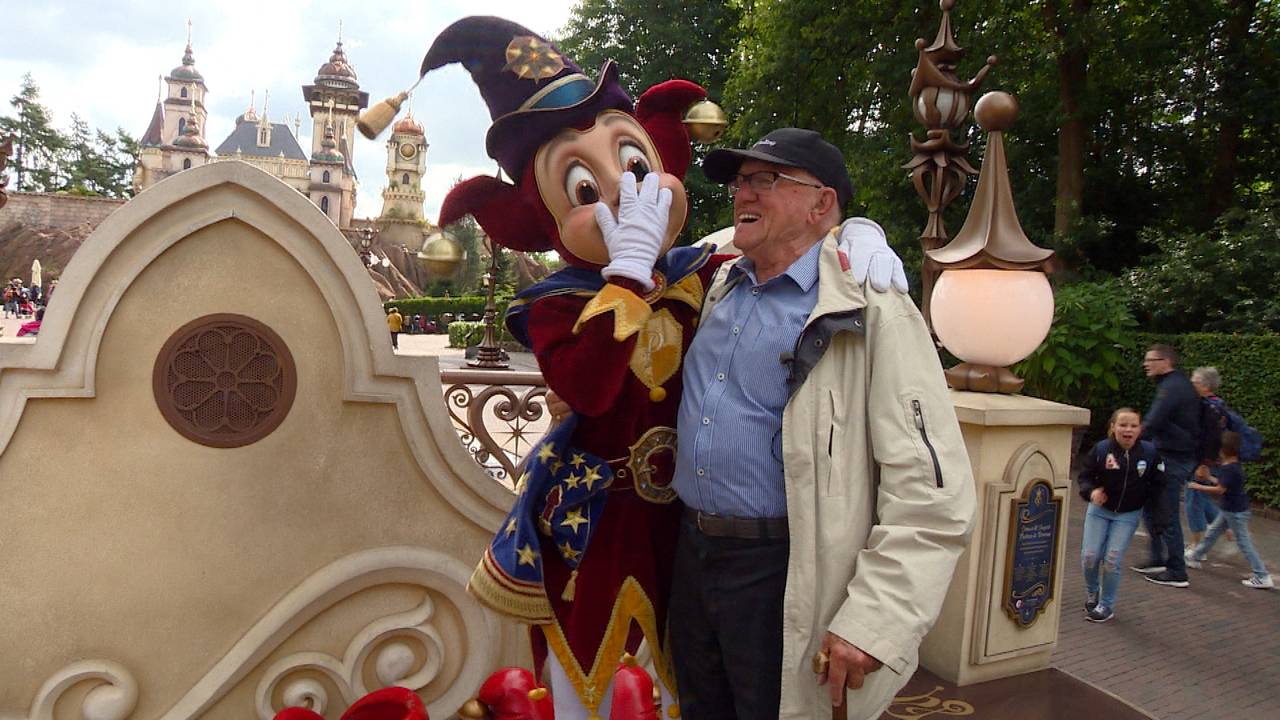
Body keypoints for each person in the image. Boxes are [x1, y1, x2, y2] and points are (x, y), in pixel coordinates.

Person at [668, 128, 975, 720]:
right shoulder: (719, 285)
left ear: (821, 202)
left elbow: (932, 493)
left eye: (766, 180)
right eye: (740, 181)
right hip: (692, 553)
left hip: (785, 570)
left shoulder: (873, 306)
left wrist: (875, 620)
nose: (742, 194)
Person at [1076, 408, 1166, 623]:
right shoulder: (1101, 450)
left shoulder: (1150, 454)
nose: (1128, 430)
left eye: (1133, 426)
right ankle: (1092, 592)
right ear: (1113, 427)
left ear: (1140, 429)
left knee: (1112, 559)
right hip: (1099, 511)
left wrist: (1160, 518)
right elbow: (1085, 477)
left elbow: (1160, 487)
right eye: (1123, 425)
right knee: (1090, 556)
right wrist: (1092, 492)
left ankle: (1106, 605)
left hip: (1128, 514)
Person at [1131, 344, 1199, 588]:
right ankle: (1157, 558)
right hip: (1169, 456)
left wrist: (1127, 442)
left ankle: (1177, 570)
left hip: (1174, 459)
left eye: (1151, 359)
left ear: (1166, 362)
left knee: (1167, 512)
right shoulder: (1174, 384)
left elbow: (1153, 422)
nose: (1146, 364)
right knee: (1152, 507)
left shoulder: (1172, 388)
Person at [1184, 432, 1275, 589]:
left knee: (1244, 543)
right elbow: (1224, 484)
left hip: (1235, 512)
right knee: (1212, 533)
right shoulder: (1233, 466)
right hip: (1231, 510)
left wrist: (1198, 486)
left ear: (1222, 450)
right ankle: (1195, 557)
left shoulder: (1228, 469)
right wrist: (1209, 478)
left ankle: (1262, 575)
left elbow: (1220, 489)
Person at [1189, 366, 1227, 545]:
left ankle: (1198, 546)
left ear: (1205, 386)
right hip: (1205, 459)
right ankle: (1228, 528)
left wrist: (1204, 463)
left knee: (1194, 498)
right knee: (1200, 498)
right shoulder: (1215, 405)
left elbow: (1211, 438)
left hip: (1203, 461)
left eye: (1195, 381)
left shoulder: (1209, 407)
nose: (1191, 384)